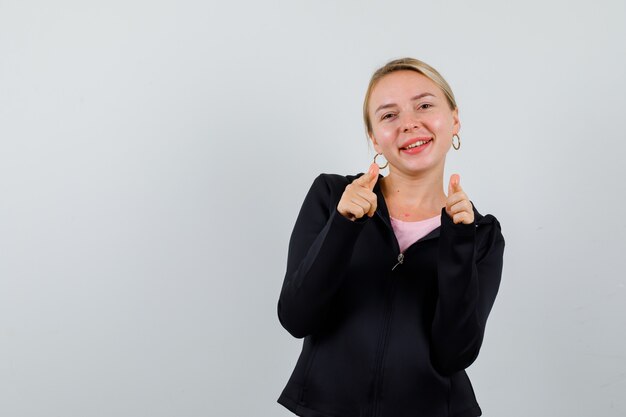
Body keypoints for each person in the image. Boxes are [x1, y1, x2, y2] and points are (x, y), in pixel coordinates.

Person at [276, 57, 505, 417]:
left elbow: (455, 353)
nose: (409, 124)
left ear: (454, 119)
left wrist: (457, 243)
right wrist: (343, 225)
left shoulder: (479, 232)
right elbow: (296, 318)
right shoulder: (332, 196)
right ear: (373, 138)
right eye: (388, 115)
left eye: (425, 106)